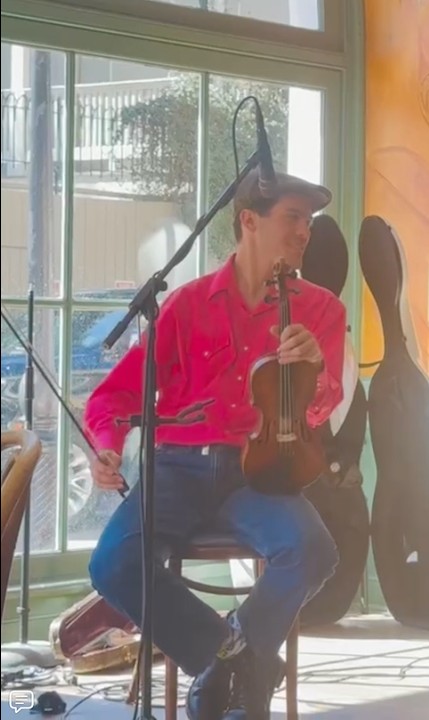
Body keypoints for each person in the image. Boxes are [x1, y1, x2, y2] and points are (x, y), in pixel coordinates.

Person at [83, 168, 346, 720]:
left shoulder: (322, 310)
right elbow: (114, 397)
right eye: (292, 219)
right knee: (111, 564)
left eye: (310, 221)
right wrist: (107, 444)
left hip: (261, 471)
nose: (305, 233)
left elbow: (321, 410)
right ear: (248, 221)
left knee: (314, 550)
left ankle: (223, 669)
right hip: (178, 467)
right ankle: (233, 659)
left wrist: (316, 368)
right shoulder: (185, 304)